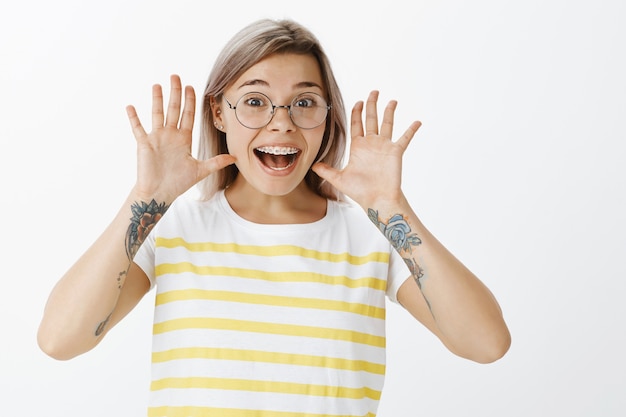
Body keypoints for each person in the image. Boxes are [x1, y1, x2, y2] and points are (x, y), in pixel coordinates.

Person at [38, 18, 510, 416]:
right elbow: (60, 341)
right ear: (220, 113)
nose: (281, 122)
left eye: (304, 102)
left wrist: (392, 210)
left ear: (327, 117)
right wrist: (145, 199)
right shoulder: (172, 227)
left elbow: (486, 344)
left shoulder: (370, 235)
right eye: (255, 101)